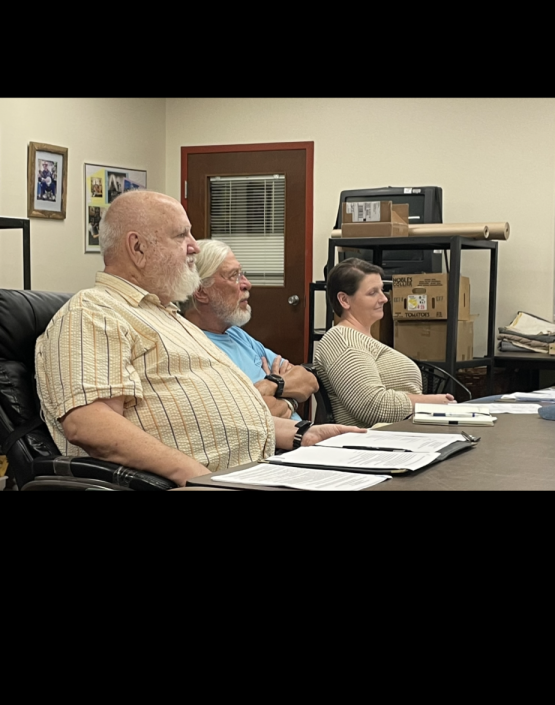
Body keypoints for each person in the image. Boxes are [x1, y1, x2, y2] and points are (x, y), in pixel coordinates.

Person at [35, 190, 363, 488]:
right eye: (181, 235)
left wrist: (302, 435)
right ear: (137, 248)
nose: (194, 245)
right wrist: (196, 478)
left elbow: (230, 415)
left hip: (259, 470)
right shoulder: (95, 311)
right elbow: (90, 425)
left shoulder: (168, 317)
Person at [181, 239, 318, 420]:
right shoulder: (191, 346)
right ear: (201, 292)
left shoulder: (235, 333)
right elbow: (247, 415)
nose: (247, 284)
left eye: (242, 274)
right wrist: (291, 400)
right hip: (278, 447)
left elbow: (308, 380)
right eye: (233, 276)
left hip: (303, 440)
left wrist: (272, 385)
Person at [314, 258, 457, 428]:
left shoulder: (360, 339)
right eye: (372, 292)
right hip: (375, 443)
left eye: (382, 290)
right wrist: (430, 402)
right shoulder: (342, 341)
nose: (384, 299)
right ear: (344, 300)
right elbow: (370, 406)